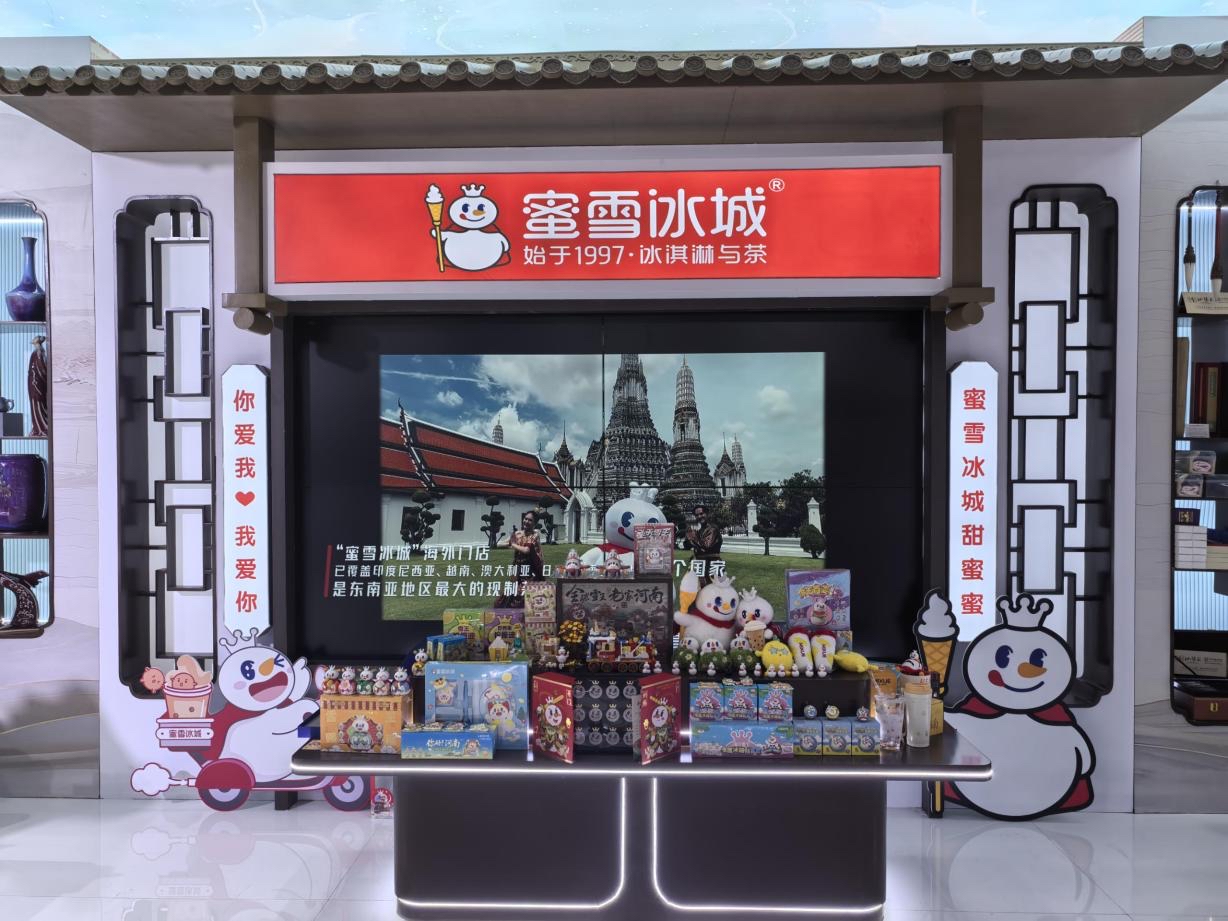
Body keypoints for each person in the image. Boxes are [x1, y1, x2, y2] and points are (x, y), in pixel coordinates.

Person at [506, 510, 544, 603]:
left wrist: (513, 544)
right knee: (513, 594)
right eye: (525, 519)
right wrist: (510, 542)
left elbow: (526, 550)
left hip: (529, 569)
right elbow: (500, 543)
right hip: (517, 567)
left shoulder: (535, 535)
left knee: (526, 594)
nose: (526, 521)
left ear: (535, 523)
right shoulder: (517, 534)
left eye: (530, 520)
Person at [685, 504, 723, 584]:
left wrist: (692, 537)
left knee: (713, 588)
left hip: (712, 563)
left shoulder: (712, 528)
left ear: (707, 514)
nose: (699, 516)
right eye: (697, 515)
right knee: (700, 587)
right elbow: (687, 545)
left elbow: (706, 545)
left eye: (701, 514)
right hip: (700, 563)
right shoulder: (698, 529)